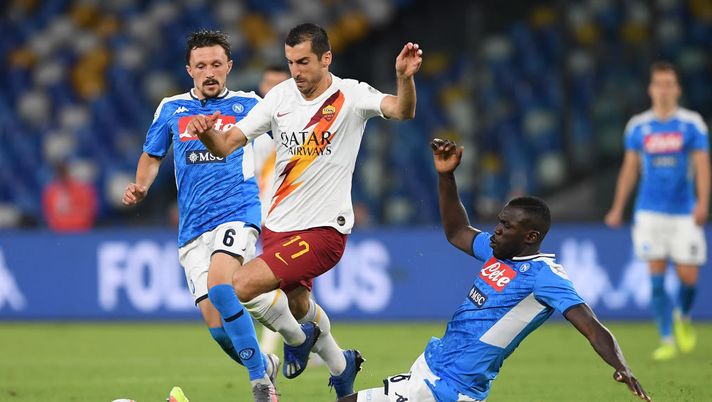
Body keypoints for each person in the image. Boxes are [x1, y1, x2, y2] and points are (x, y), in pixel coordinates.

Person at [187, 23, 423, 398]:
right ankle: (342, 366)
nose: (296, 71)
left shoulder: (351, 95)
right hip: (279, 227)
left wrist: (404, 79)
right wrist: (205, 133)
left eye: (304, 62)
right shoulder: (279, 97)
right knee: (298, 305)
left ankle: (298, 341)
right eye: (290, 62)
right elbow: (226, 144)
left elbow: (402, 110)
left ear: (326, 58)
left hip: (324, 230)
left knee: (243, 284)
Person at [337, 138, 651, 402]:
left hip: (450, 390)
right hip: (430, 367)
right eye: (500, 222)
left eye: (507, 226)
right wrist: (446, 176)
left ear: (530, 236)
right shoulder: (496, 251)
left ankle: (343, 371)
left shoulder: (544, 276)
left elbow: (591, 325)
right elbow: (457, 232)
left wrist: (621, 364)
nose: (497, 230)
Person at [121, 29, 279, 402]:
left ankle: (260, 384)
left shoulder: (249, 104)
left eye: (216, 64)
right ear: (189, 70)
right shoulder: (171, 109)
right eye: (201, 66)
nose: (209, 72)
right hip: (193, 227)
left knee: (223, 288)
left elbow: (290, 138)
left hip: (237, 211)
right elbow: (152, 155)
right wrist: (141, 186)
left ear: (229, 67)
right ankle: (265, 363)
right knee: (217, 328)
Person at [604, 61, 709, 361]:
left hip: (684, 211)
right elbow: (630, 169)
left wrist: (703, 202)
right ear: (651, 89)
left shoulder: (692, 124)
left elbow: (702, 165)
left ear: (677, 89)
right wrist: (617, 207)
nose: (663, 90)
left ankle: (683, 316)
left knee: (689, 277)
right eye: (658, 84)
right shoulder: (638, 126)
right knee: (657, 278)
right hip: (649, 211)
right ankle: (666, 339)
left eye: (668, 84)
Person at [42, 160, 98, 232]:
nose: (62, 175)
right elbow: (49, 215)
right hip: (58, 232)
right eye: (60, 172)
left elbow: (89, 212)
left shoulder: (82, 190)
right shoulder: (50, 191)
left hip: (80, 231)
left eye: (64, 171)